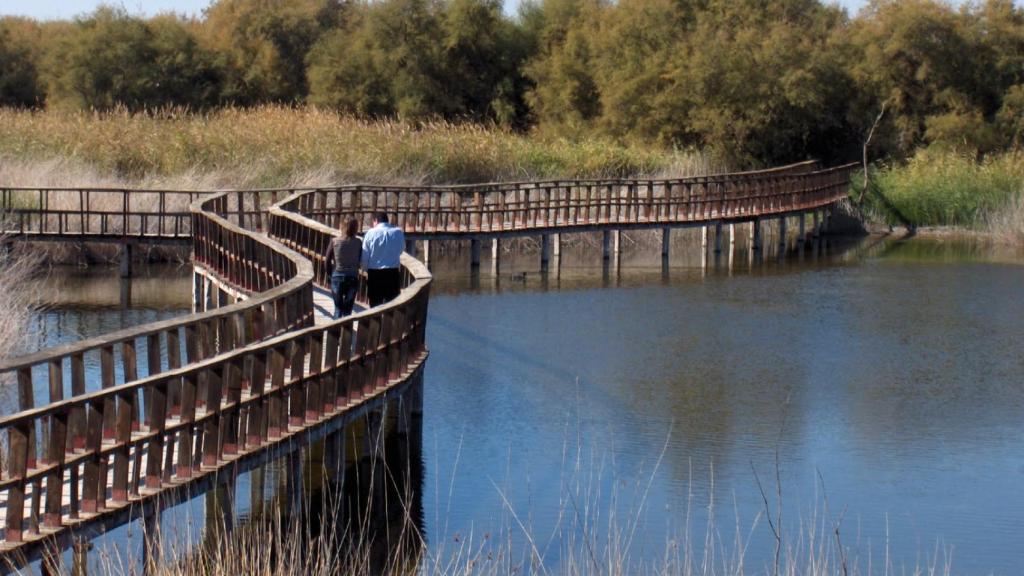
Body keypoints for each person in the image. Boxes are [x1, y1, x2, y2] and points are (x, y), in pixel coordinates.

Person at [361, 211, 405, 306]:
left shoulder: (370, 233)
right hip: (392, 273)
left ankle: (375, 320)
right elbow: (401, 250)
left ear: (375, 220)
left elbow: (365, 255)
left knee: (375, 305)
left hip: (375, 273)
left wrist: (365, 269)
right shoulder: (398, 232)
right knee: (392, 305)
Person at [324, 217, 362, 318]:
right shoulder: (358, 242)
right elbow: (360, 259)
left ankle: (335, 332)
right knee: (347, 311)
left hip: (337, 276)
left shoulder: (334, 241)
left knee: (338, 308)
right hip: (352, 277)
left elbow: (327, 260)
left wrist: (329, 275)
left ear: (342, 227)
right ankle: (346, 332)